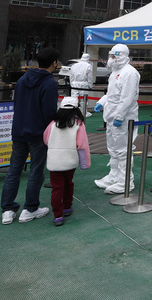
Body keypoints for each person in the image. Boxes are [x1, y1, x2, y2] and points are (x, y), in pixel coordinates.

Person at [0, 47, 60, 223]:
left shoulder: (23, 79)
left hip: (19, 130)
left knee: (14, 170)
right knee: (36, 170)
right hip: (38, 133)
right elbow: (49, 112)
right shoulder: (49, 84)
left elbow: (17, 103)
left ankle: (7, 210)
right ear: (54, 63)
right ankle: (30, 208)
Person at [93, 44, 140, 194]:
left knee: (123, 150)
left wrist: (119, 116)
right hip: (111, 115)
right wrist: (102, 102)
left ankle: (125, 181)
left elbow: (127, 97)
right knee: (113, 148)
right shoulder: (115, 72)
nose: (112, 59)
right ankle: (114, 176)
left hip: (124, 118)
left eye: (115, 56)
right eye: (111, 55)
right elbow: (111, 93)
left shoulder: (130, 73)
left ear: (123, 56)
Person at [43, 97, 91, 227]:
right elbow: (82, 145)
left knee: (57, 188)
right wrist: (85, 164)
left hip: (54, 161)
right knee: (69, 183)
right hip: (70, 160)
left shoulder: (53, 123)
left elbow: (46, 139)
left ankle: (58, 215)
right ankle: (67, 206)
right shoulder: (78, 124)